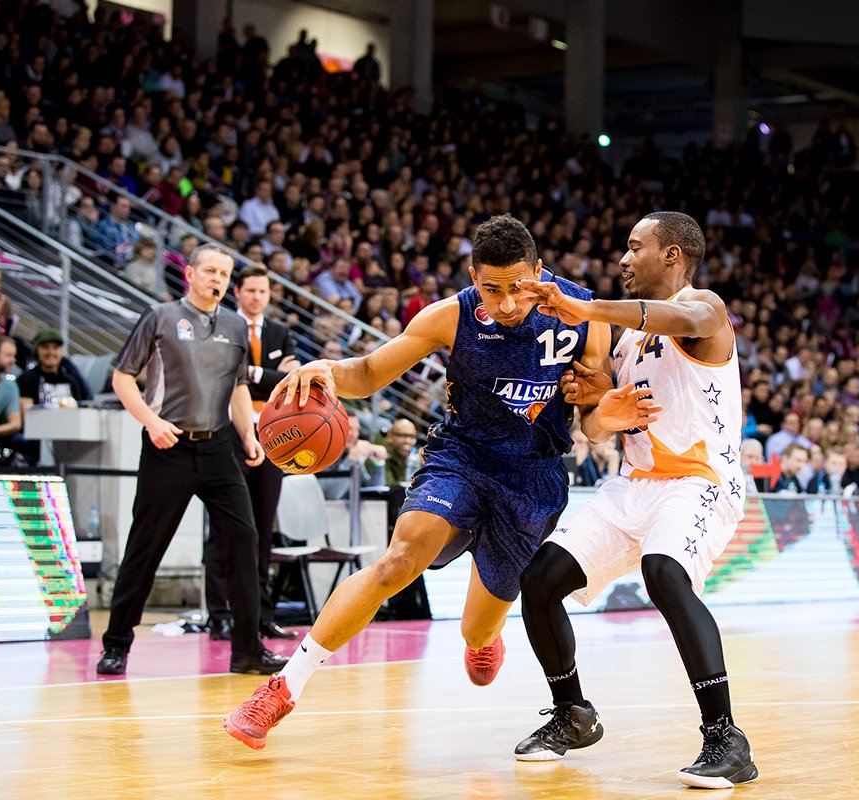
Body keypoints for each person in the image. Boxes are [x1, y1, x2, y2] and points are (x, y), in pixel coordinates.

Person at [222, 213, 607, 749]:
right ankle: (284, 687)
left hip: (533, 477)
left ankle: (484, 638)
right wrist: (326, 368)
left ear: (539, 271)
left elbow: (596, 406)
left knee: (478, 629)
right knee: (399, 559)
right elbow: (369, 373)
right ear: (473, 278)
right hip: (462, 458)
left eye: (518, 288)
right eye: (491, 289)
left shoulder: (584, 312)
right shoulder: (451, 316)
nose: (506, 304)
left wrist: (599, 399)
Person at [509, 212, 757, 789]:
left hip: (699, 481)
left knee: (665, 573)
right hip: (634, 484)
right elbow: (596, 430)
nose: (623, 258)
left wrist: (587, 308)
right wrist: (603, 410)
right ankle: (572, 714)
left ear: (672, 255)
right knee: (540, 581)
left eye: (635, 246)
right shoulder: (627, 342)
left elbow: (681, 320)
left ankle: (726, 738)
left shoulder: (705, 308)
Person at [96, 244, 287, 676]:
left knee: (244, 540)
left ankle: (247, 650)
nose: (217, 278)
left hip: (219, 447)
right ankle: (116, 645)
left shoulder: (236, 325)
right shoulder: (160, 317)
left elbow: (239, 386)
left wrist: (249, 434)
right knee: (145, 547)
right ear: (190, 274)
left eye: (224, 273)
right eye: (210, 270)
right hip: (169, 447)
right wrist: (151, 421)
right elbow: (123, 376)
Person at [205, 264, 300, 642]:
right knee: (225, 525)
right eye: (251, 290)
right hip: (228, 430)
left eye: (263, 291)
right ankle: (220, 614)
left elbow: (290, 382)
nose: (257, 297)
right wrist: (266, 375)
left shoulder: (280, 332)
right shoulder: (222, 326)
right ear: (238, 292)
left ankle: (260, 615)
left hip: (275, 435)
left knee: (263, 526)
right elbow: (226, 377)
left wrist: (253, 373)